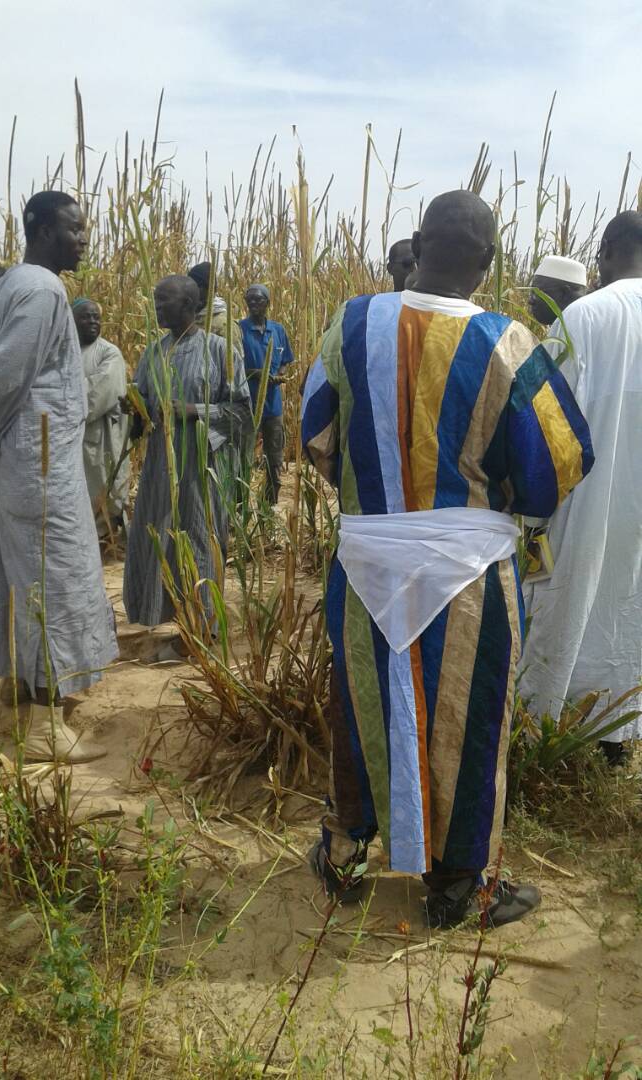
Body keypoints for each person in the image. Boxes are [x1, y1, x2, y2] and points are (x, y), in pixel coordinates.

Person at [301, 190, 594, 928]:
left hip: (366, 562)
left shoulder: (351, 323)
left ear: (417, 241)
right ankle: (458, 884)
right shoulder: (507, 343)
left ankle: (344, 850)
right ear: (490, 263)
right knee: (467, 714)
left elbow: (312, 433)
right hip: (469, 570)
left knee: (363, 703)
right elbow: (559, 461)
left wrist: (378, 501)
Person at [0, 191, 116, 762]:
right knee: (54, 581)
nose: (83, 239)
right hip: (38, 469)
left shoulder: (17, 284)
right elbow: (4, 378)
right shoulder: (43, 290)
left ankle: (19, 697)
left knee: (25, 577)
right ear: (39, 228)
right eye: (73, 228)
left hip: (29, 463)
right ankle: (43, 723)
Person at [521, 211, 642, 765]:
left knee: (565, 605)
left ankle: (541, 733)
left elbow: (542, 422)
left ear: (609, 248)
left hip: (586, 502)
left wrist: (527, 512)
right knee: (628, 613)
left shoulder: (584, 318)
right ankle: (619, 738)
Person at [123, 275, 251, 658]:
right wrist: (134, 409)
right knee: (157, 538)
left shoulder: (219, 351)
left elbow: (243, 413)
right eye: (156, 301)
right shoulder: (153, 352)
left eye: (165, 301)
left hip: (201, 466)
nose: (158, 308)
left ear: (190, 305)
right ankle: (174, 621)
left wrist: (194, 411)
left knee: (198, 539)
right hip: (161, 467)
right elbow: (142, 407)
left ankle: (202, 629)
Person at [72, 298, 130, 537]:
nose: (93, 321)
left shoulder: (109, 354)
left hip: (100, 442)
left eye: (97, 317)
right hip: (71, 440)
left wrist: (60, 403)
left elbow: (96, 396)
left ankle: (105, 540)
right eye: (87, 317)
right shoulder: (66, 349)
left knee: (103, 490)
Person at [240, 284, 294, 505]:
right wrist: (257, 374)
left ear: (268, 303)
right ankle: (240, 501)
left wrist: (278, 376)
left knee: (274, 457)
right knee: (244, 456)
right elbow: (232, 367)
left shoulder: (278, 330)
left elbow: (285, 362)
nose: (253, 304)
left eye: (258, 300)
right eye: (249, 300)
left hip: (273, 406)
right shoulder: (239, 330)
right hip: (247, 404)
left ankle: (270, 501)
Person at [187, 262, 243, 353]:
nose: (193, 292)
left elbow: (235, 362)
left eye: (199, 287)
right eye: (190, 287)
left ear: (210, 290)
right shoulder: (187, 318)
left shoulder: (224, 325)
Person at [529, 254, 587, 326]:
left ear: (565, 294)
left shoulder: (576, 331)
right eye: (532, 292)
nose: (530, 301)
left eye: (539, 293)